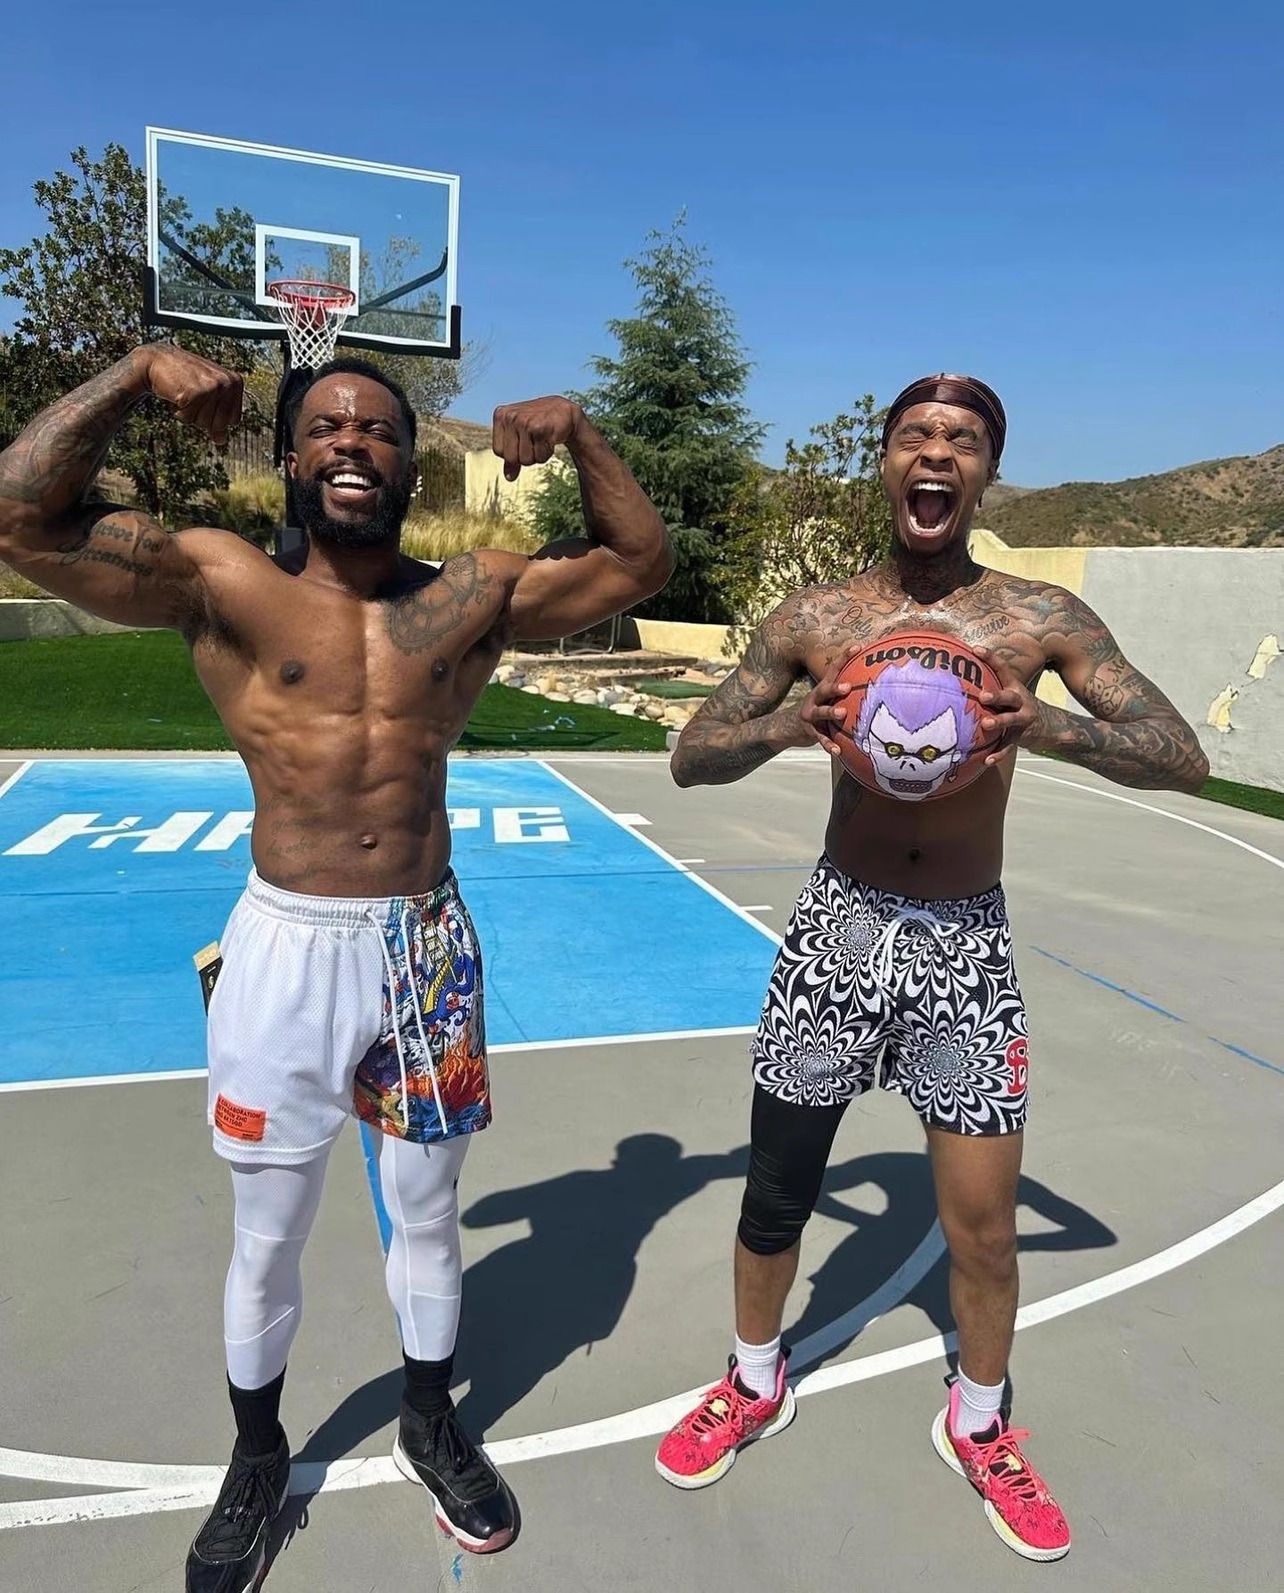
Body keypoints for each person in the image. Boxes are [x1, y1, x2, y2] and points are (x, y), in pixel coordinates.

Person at [0, 344, 672, 1589]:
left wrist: (581, 433)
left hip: (426, 950)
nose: (353, 443)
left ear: (412, 465)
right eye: (327, 427)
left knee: (428, 1214)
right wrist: (136, 374)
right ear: (291, 456)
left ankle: (429, 1418)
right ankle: (257, 1458)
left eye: (378, 430)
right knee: (269, 1233)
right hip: (286, 949)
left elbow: (639, 564)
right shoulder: (222, 579)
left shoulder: (469, 594)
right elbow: (17, 517)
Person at [653, 374, 1208, 1562]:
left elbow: (1181, 755)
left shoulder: (1036, 617)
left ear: (987, 474)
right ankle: (753, 1379)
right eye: (915, 435)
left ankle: (980, 1423)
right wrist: (790, 724)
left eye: (962, 439)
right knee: (776, 1192)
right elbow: (693, 754)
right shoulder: (818, 617)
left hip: (965, 944)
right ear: (887, 462)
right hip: (836, 933)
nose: (936, 453)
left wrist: (1047, 726)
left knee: (988, 1227)